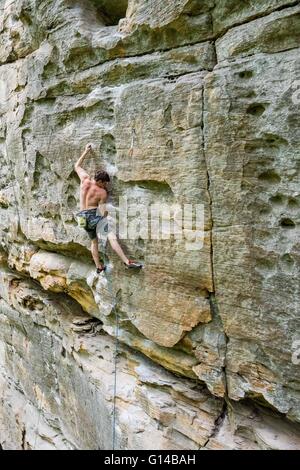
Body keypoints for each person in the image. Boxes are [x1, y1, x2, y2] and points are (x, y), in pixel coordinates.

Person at [74, 144, 143, 273]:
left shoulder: (84, 180)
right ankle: (126, 261)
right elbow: (103, 211)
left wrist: (86, 151)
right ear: (100, 181)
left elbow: (76, 166)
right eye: (104, 182)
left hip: (82, 218)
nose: (105, 185)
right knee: (111, 237)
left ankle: (99, 267)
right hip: (93, 216)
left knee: (94, 242)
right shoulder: (102, 192)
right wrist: (104, 218)